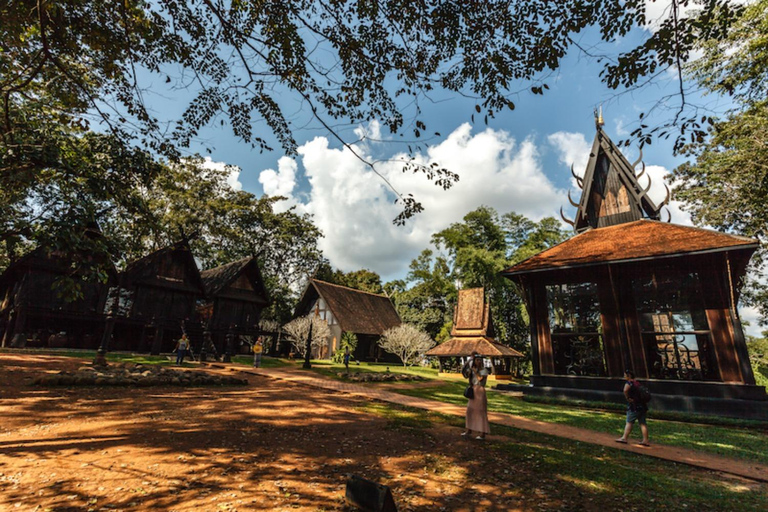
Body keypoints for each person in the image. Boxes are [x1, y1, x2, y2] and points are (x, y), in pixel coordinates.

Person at [616, 369, 650, 446]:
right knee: (643, 423)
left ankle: (624, 438)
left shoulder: (629, 383)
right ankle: (645, 440)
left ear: (629, 376)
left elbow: (625, 390)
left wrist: (627, 398)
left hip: (634, 406)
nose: (624, 377)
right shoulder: (637, 383)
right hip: (642, 405)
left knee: (629, 422)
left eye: (625, 375)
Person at [462, 352, 491, 440]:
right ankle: (468, 430)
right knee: (470, 410)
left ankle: (482, 433)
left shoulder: (484, 370)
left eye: (480, 360)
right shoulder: (472, 370)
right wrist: (469, 361)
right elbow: (464, 374)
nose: (478, 362)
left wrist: (476, 372)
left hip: (480, 391)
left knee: (480, 412)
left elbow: (480, 379)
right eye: (477, 360)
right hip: (473, 390)